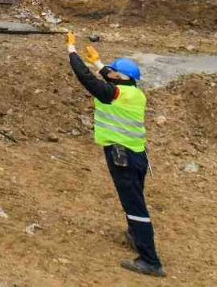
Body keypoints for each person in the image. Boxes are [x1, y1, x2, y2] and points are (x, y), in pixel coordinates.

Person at [67, 32, 164, 278]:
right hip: (137, 156)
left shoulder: (116, 94)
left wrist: (72, 51)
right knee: (135, 199)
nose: (110, 72)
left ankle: (150, 261)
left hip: (124, 158)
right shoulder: (134, 92)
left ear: (121, 77)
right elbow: (110, 79)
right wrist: (98, 62)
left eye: (114, 71)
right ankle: (134, 235)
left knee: (135, 207)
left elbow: (88, 80)